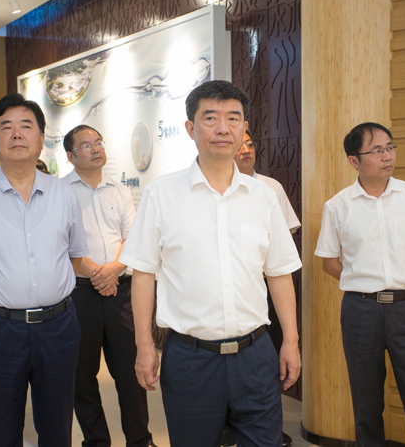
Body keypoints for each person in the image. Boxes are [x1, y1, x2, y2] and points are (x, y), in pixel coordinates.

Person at [120, 80, 302, 447]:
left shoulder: (263, 196)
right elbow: (143, 275)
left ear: (244, 127)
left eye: (233, 118)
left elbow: (279, 273)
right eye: (210, 118)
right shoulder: (161, 195)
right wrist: (144, 346)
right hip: (191, 359)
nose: (223, 128)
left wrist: (291, 341)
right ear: (191, 128)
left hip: (256, 354)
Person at [0, 93, 88, 446]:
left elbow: (74, 256)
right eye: (6, 127)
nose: (17, 134)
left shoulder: (65, 194)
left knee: (57, 429)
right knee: (0, 430)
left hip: (58, 327)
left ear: (41, 138)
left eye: (27, 126)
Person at [315, 122, 405, 447]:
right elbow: (329, 262)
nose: (387, 156)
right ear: (354, 161)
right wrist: (364, 281)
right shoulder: (338, 206)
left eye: (390, 148)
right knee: (366, 405)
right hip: (360, 313)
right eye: (377, 150)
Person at [62, 125, 155, 447]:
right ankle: (96, 441)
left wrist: (113, 270)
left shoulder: (119, 189)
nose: (96, 149)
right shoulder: (60, 191)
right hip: (79, 294)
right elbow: (62, 243)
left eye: (98, 142)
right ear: (71, 156)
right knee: (82, 375)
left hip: (121, 291)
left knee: (131, 372)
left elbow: (132, 237)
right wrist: (97, 275)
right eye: (86, 145)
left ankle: (140, 440)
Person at [228, 128, 301, 447]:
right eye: (240, 145)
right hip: (233, 287)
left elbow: (286, 237)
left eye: (250, 144)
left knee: (267, 359)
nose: (246, 150)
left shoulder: (271, 188)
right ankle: (226, 425)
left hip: (267, 287)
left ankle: (270, 424)